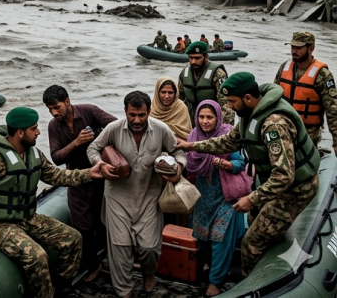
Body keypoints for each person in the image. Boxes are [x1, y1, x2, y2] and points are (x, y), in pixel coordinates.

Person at [0, 107, 116, 298]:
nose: (38, 132)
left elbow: (56, 176)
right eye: (33, 128)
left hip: (27, 218)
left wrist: (89, 173)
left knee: (73, 239)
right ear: (20, 132)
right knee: (37, 256)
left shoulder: (33, 154)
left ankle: (63, 288)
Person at [177, 73, 320, 276]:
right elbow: (227, 141)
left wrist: (252, 198)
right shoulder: (250, 115)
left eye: (232, 101)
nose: (229, 106)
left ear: (248, 98)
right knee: (254, 220)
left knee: (251, 243)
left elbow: (284, 176)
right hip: (274, 184)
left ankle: (251, 283)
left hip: (296, 188)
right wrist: (192, 146)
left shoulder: (274, 125)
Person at [87, 91, 187, 298]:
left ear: (149, 111)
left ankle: (149, 273)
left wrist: (178, 167)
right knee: (120, 246)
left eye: (141, 115)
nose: (137, 120)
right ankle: (125, 291)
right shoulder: (113, 128)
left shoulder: (161, 129)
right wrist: (101, 164)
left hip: (149, 196)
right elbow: (93, 148)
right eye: (132, 115)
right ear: (125, 111)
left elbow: (178, 151)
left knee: (149, 247)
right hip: (117, 197)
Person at [44, 85, 118, 282]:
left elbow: (116, 125)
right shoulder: (53, 126)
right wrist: (76, 142)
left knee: (105, 223)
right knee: (82, 228)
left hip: (101, 179)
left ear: (67, 101)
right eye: (50, 109)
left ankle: (113, 259)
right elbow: (56, 157)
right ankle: (93, 265)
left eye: (57, 107)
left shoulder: (89, 111)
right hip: (77, 182)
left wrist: (100, 137)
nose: (54, 112)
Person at [186, 100, 249, 297]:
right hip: (203, 196)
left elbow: (240, 163)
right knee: (201, 237)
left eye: (209, 117)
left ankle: (216, 281)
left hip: (225, 196)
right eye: (201, 117)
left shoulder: (227, 135)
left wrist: (224, 164)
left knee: (220, 239)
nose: (205, 121)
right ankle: (217, 269)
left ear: (218, 118)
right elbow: (189, 163)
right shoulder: (194, 136)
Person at [274, 31, 337, 151]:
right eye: (292, 47)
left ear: (311, 48)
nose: (294, 51)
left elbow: (332, 110)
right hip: (282, 128)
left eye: (298, 48)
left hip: (308, 134)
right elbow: (272, 97)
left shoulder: (323, 75)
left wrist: (336, 141)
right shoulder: (284, 67)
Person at [179, 41, 233, 125]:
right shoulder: (184, 73)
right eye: (191, 58)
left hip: (211, 121)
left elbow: (226, 104)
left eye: (197, 58)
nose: (193, 61)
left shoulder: (218, 73)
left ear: (206, 57)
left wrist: (225, 128)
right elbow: (179, 100)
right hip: (190, 121)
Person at [151, 76, 192, 144]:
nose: (167, 96)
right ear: (157, 93)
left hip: (178, 145)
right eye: (163, 92)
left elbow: (185, 134)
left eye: (170, 93)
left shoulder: (181, 107)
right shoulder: (151, 108)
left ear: (175, 93)